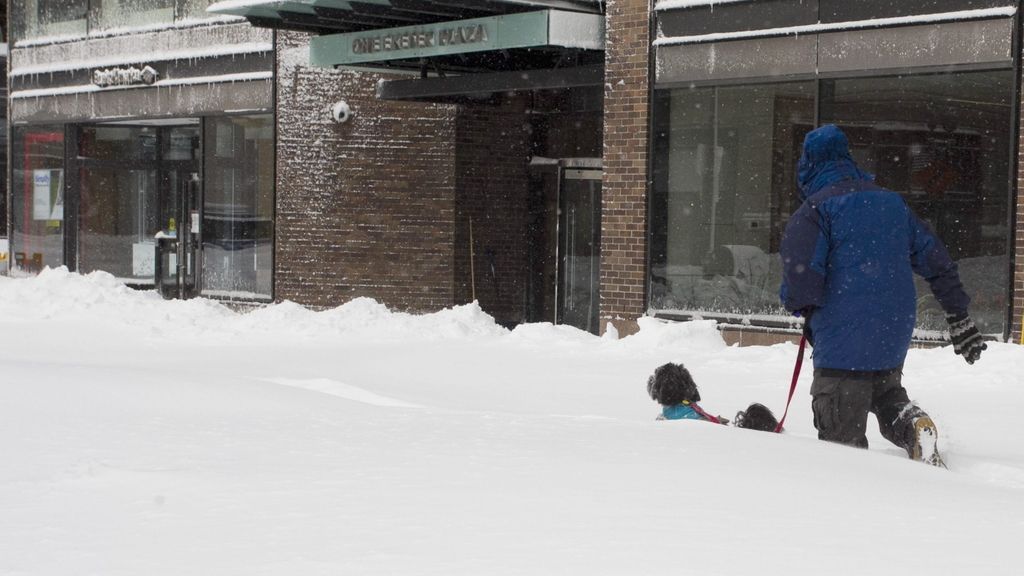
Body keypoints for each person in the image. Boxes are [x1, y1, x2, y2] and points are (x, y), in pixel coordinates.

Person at [779, 124, 986, 465]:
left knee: (840, 432)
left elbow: (802, 284)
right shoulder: (892, 202)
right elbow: (937, 261)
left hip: (842, 337)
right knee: (884, 391)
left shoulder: (815, 211)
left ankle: (860, 497)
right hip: (893, 327)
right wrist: (958, 314)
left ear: (808, 164)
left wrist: (796, 303)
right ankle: (912, 424)